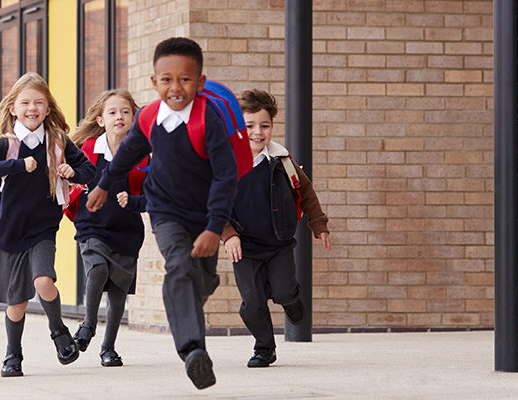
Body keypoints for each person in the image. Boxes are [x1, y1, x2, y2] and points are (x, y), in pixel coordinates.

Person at [86, 37, 238, 390]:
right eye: (166, 79)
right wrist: (104, 184)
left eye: (185, 79)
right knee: (179, 266)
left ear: (200, 82)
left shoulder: (209, 119)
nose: (175, 87)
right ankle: (193, 351)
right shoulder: (150, 116)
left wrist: (215, 227)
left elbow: (226, 177)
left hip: (205, 214)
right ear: (154, 82)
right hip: (165, 210)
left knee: (202, 279)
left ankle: (192, 297)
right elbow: (127, 154)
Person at [0, 72, 95, 378]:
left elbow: (89, 171)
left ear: (48, 108)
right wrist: (16, 165)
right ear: (13, 108)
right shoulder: (6, 143)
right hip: (9, 232)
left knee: (43, 281)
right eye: (25, 102)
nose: (32, 108)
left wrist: (71, 172)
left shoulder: (58, 142)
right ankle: (13, 355)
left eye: (39, 102)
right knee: (18, 302)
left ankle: (59, 332)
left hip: (43, 229)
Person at [220, 89, 330, 368]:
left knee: (281, 291)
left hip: (279, 243)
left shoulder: (281, 161)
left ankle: (291, 298)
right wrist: (228, 234)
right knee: (252, 302)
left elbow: (305, 189)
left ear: (272, 127)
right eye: (249, 126)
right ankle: (264, 348)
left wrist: (318, 223)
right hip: (244, 246)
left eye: (264, 125)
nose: (258, 132)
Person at [68, 89, 144, 367]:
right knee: (98, 268)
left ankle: (108, 349)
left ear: (133, 118)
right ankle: (88, 325)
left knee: (118, 293)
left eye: (125, 112)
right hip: (92, 224)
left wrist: (136, 201)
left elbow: (156, 190)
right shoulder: (86, 149)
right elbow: (68, 176)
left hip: (127, 228)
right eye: (112, 112)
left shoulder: (142, 153)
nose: (119, 117)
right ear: (100, 120)